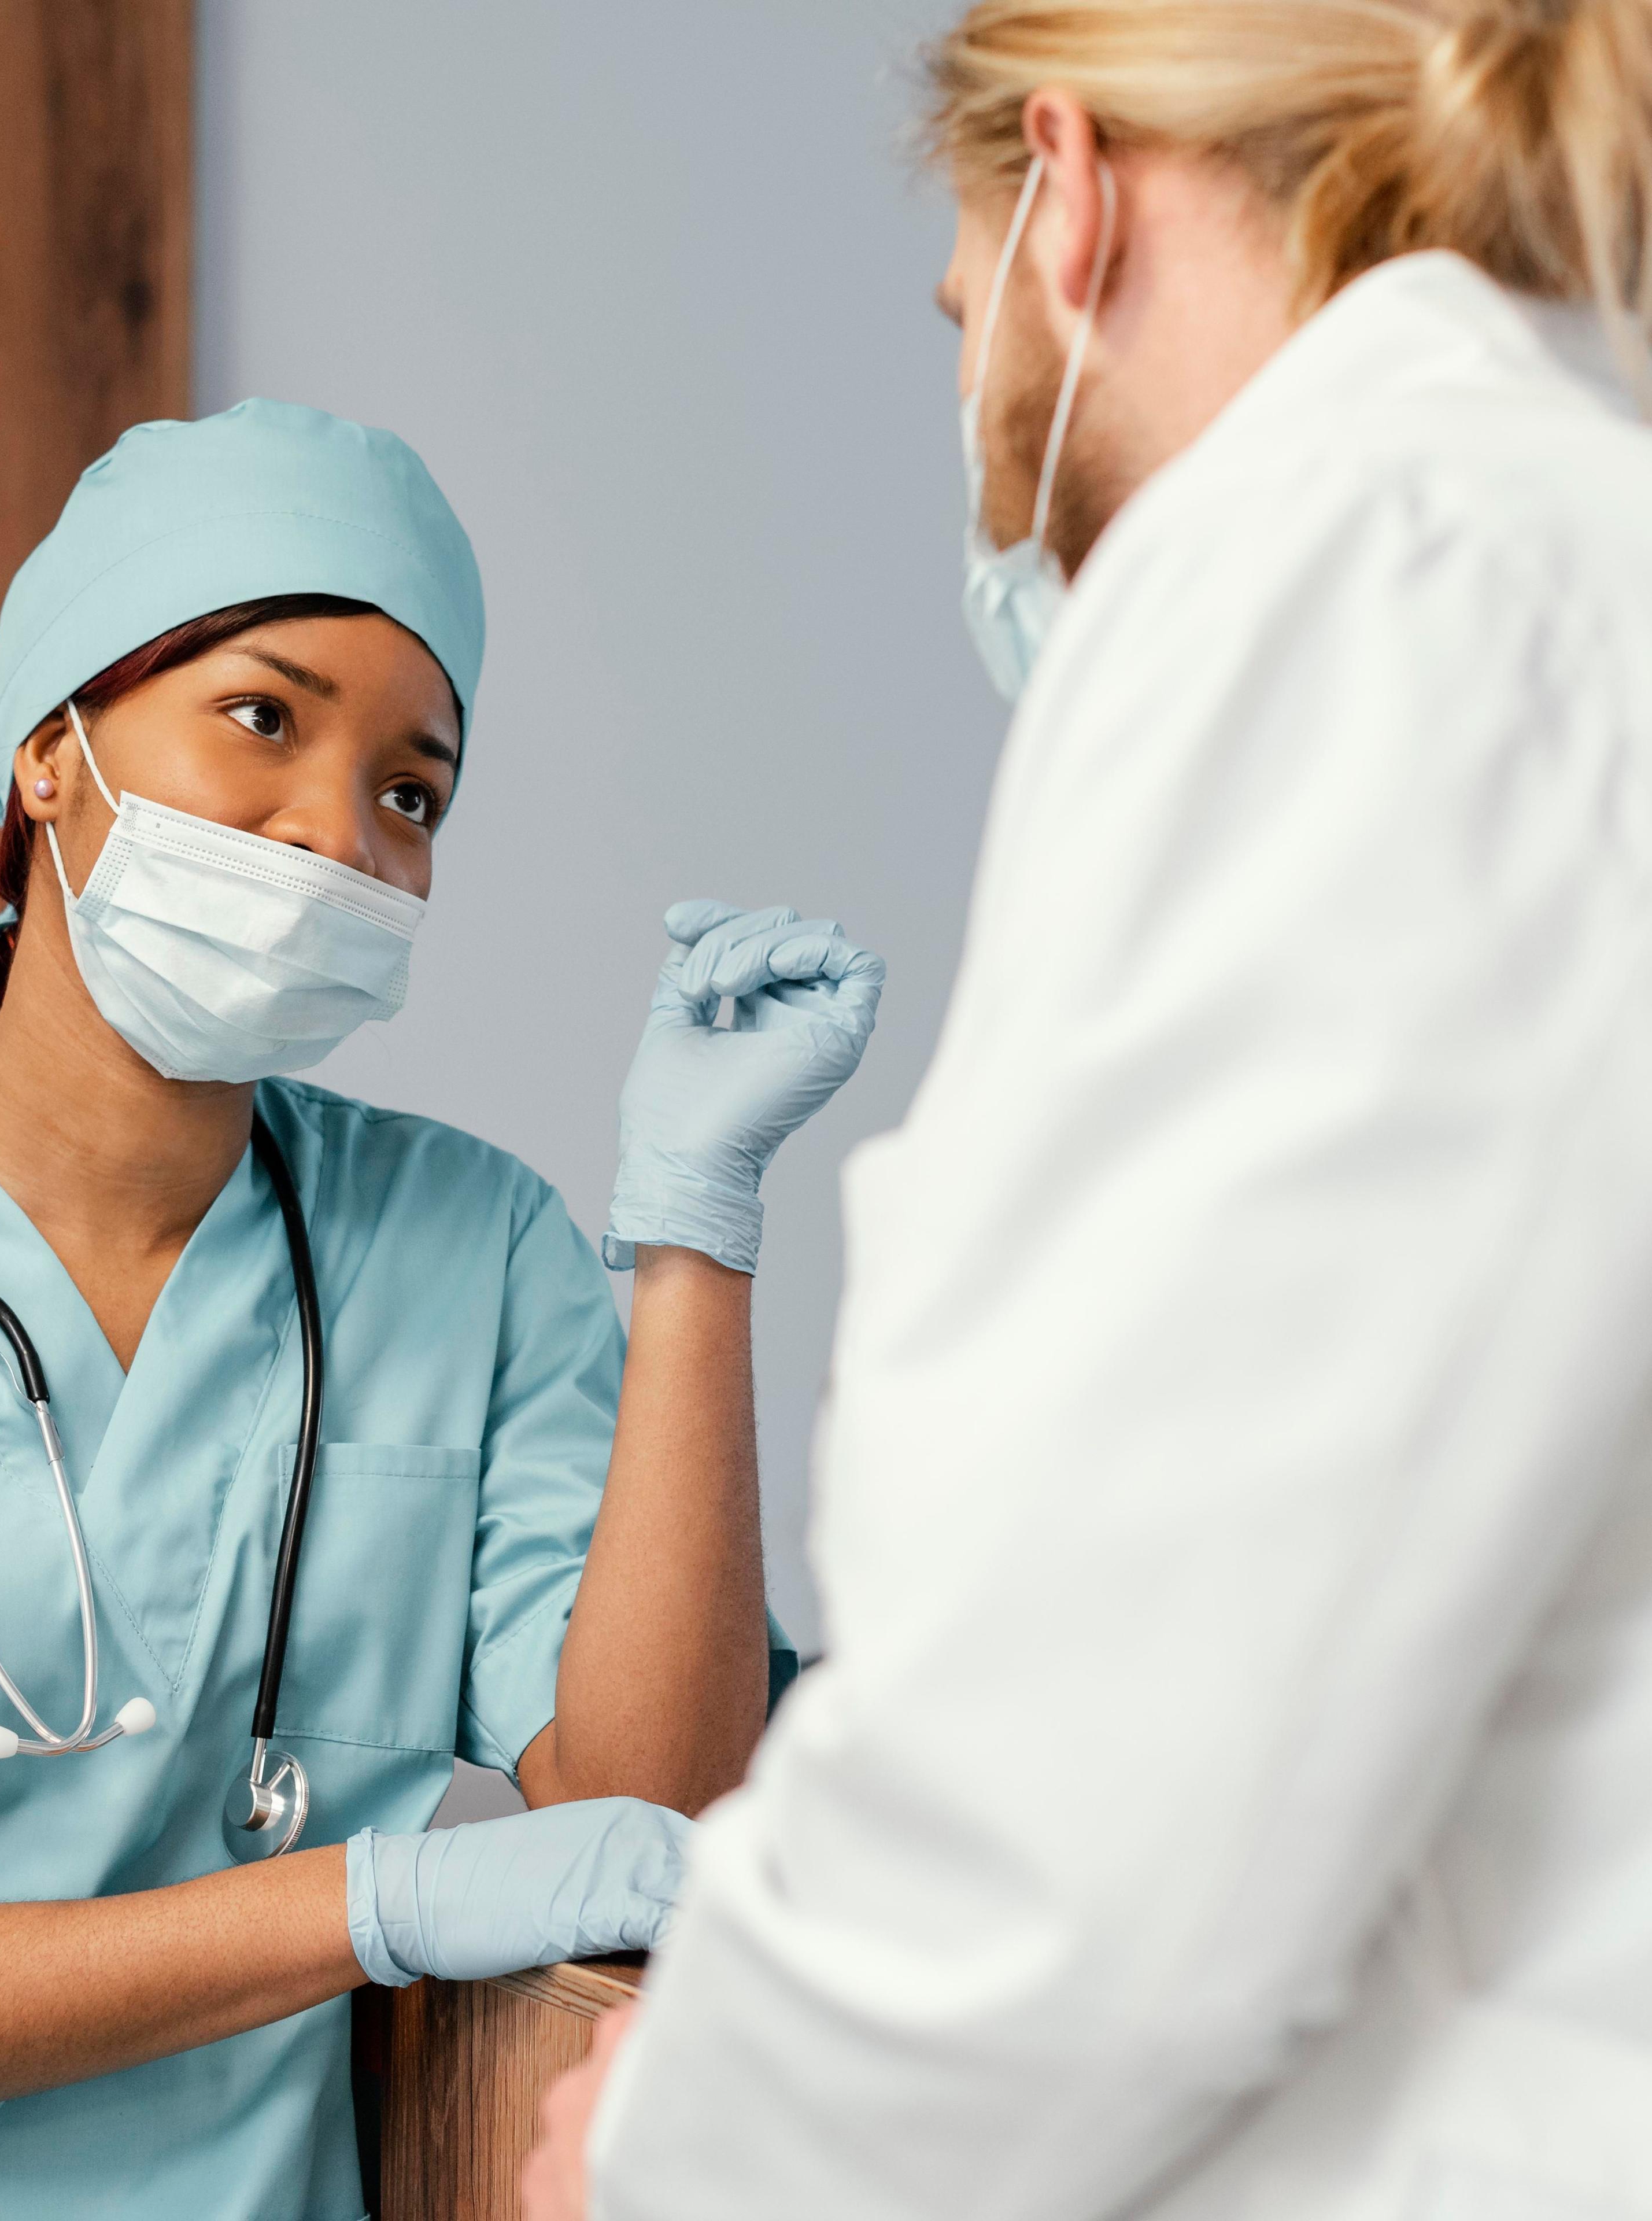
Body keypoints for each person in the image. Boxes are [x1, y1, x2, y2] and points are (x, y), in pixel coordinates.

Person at [0, 399, 881, 2219]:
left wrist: (696, 1235)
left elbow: (647, 1815)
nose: (334, 834)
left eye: (412, 790)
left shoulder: (472, 1253)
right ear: (48, 753)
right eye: (263, 719)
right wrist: (368, 1907)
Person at [526, 1, 1652, 2215]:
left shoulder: (1357, 567)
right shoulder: (1556, 538)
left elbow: (1081, 1803)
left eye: (963, 306)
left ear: (1074, 191)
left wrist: (682, 2142)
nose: (978, 410)